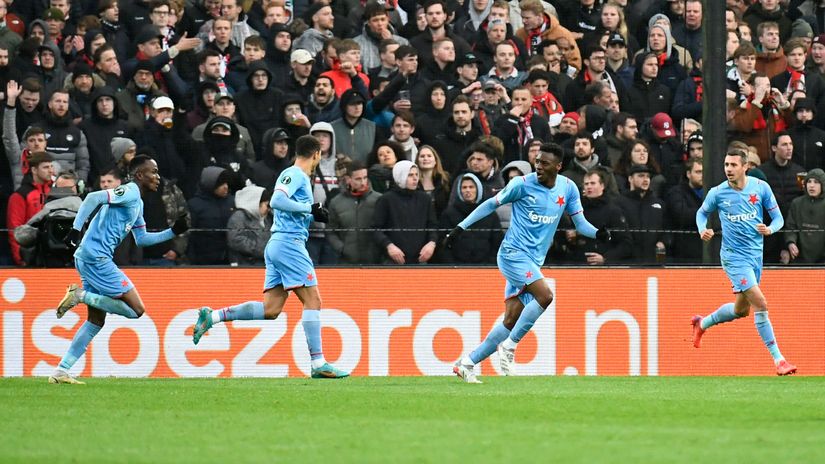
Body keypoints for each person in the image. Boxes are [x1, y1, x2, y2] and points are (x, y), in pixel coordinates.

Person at [447, 143, 610, 383]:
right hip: (512, 254)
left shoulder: (568, 188)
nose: (539, 167)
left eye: (545, 163)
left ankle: (467, 363)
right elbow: (491, 204)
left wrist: (598, 233)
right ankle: (510, 348)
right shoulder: (521, 185)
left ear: (558, 166)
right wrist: (461, 227)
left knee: (510, 320)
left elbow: (580, 224)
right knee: (545, 295)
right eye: (537, 162)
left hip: (533, 261)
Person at [191, 135, 349, 379]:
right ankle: (318, 363)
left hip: (279, 244)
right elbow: (277, 199)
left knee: (271, 309)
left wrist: (311, 214)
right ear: (316, 154)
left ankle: (211, 316)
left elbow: (286, 204)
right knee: (313, 301)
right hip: (289, 244)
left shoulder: (296, 175)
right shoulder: (296, 174)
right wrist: (309, 208)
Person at [49, 155, 189, 384]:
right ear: (139, 175)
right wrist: (76, 228)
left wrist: (173, 231)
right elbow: (94, 197)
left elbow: (141, 239)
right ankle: (79, 295)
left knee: (96, 321)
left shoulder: (137, 203)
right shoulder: (130, 191)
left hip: (88, 257)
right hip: (97, 258)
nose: (157, 177)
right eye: (153, 172)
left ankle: (61, 370)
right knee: (136, 309)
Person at [691, 148, 797, 376]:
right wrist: (703, 230)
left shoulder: (760, 189)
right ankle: (779, 360)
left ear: (745, 166)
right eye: (726, 165)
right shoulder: (717, 193)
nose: (728, 169)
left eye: (733, 165)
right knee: (761, 303)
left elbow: (778, 218)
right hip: (733, 257)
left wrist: (769, 229)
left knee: (741, 310)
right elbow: (701, 214)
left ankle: (703, 323)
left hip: (754, 256)